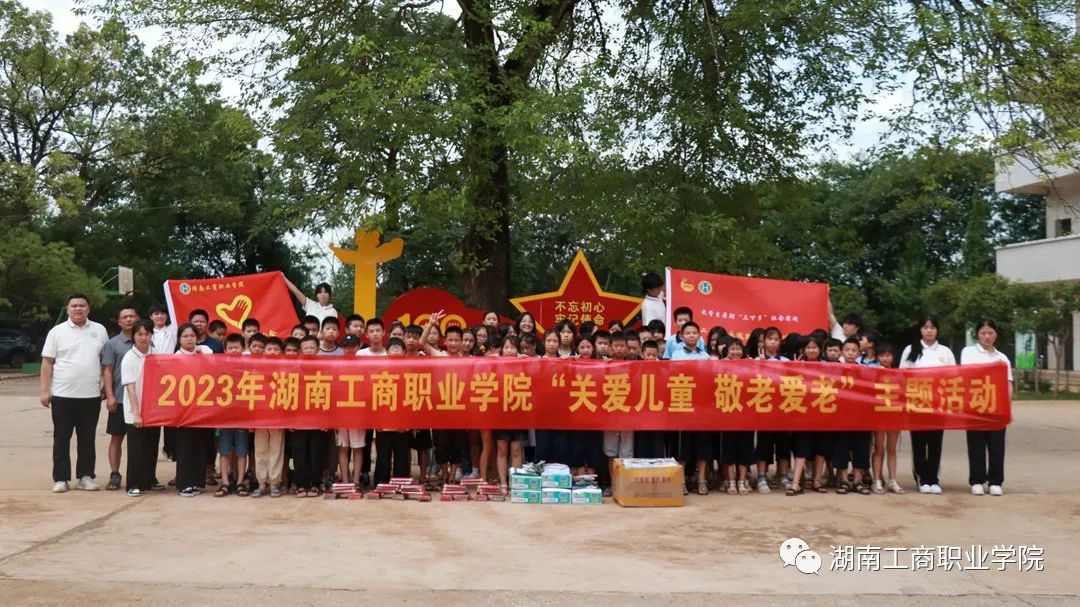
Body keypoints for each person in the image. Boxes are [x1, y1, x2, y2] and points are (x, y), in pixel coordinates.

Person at [41, 294, 109, 493]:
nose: (78, 309)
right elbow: (47, 362)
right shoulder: (57, 332)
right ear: (68, 309)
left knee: (87, 438)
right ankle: (61, 478)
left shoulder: (99, 330)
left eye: (82, 305)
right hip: (62, 395)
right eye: (74, 306)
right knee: (61, 438)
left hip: (91, 395)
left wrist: (106, 385)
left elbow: (106, 361)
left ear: (89, 308)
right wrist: (45, 390)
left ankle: (85, 476)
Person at [899, 314, 956, 495]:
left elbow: (954, 377)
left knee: (935, 442)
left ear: (937, 330)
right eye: (925, 327)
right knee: (919, 442)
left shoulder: (945, 352)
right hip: (917, 404)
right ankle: (922, 478)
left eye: (932, 327)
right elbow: (902, 376)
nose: (929, 331)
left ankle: (933, 478)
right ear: (920, 330)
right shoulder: (910, 350)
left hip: (938, 405)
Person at [961, 320, 1012, 496]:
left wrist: (1008, 409)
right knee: (976, 445)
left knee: (997, 446)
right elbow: (967, 375)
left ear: (996, 334)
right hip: (976, 406)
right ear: (978, 335)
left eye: (990, 333)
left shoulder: (1002, 358)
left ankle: (995, 481)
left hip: (997, 408)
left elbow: (1008, 384)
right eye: (983, 333)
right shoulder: (968, 352)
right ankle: (977, 480)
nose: (987, 336)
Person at [670, 321, 712, 495]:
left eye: (694, 332)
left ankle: (702, 480)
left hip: (702, 406)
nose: (691, 335)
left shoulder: (705, 356)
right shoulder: (676, 355)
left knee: (703, 445)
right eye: (688, 333)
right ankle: (681, 482)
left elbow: (710, 379)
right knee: (683, 447)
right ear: (682, 336)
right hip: (683, 405)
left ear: (699, 335)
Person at [173, 323, 214, 497]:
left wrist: (201, 358)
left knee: (200, 444)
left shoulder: (206, 351)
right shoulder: (176, 357)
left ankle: (197, 481)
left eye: (192, 336)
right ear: (179, 339)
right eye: (185, 336)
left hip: (203, 407)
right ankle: (184, 483)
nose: (189, 339)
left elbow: (215, 368)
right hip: (184, 409)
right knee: (185, 445)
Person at [101, 306, 139, 490]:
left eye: (132, 316)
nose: (129, 319)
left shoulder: (146, 341)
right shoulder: (112, 344)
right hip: (120, 399)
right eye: (125, 317)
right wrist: (110, 396)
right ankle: (115, 474)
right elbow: (107, 371)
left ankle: (145, 474)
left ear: (138, 318)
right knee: (117, 438)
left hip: (141, 401)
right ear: (119, 321)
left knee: (141, 441)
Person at [120, 320, 159, 497]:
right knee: (136, 449)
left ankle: (149, 480)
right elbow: (130, 388)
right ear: (133, 336)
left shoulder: (156, 354)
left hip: (153, 410)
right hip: (135, 411)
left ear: (151, 335)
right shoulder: (129, 358)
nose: (143, 338)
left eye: (147, 334)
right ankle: (133, 484)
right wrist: (137, 413)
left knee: (151, 447)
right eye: (139, 334)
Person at [833, 337, 871, 495]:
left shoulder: (865, 370)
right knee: (841, 447)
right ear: (842, 352)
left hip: (861, 417)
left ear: (859, 353)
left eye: (854, 350)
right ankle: (843, 480)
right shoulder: (835, 369)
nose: (850, 353)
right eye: (847, 350)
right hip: (841, 416)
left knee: (861, 448)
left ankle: (857, 480)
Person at [754, 326, 791, 494]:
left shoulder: (786, 361)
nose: (773, 342)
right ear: (764, 341)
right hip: (764, 409)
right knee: (764, 444)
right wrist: (761, 365)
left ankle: (783, 476)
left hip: (782, 409)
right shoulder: (756, 360)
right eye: (770, 339)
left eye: (776, 339)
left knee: (783, 445)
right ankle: (761, 476)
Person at [373, 338, 412, 485]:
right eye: (392, 347)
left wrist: (408, 421)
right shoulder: (379, 370)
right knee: (383, 453)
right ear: (386, 351)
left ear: (404, 352)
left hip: (402, 420)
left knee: (402, 453)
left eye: (399, 347)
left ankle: (401, 483)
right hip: (384, 420)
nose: (396, 349)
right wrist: (376, 421)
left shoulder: (409, 371)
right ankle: (381, 483)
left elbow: (412, 398)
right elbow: (374, 398)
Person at [216, 335, 250, 497]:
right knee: (224, 451)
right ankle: (225, 483)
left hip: (243, 417)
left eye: (237, 347)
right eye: (230, 348)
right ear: (225, 350)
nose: (234, 350)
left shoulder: (249, 366)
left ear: (243, 348)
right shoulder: (220, 366)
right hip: (224, 417)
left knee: (242, 451)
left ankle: (240, 482)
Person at [493, 336, 528, 493]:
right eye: (506, 347)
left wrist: (527, 361)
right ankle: (503, 483)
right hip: (501, 413)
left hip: (519, 412)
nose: (509, 350)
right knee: (502, 450)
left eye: (513, 347)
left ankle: (515, 482)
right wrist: (492, 360)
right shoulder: (496, 363)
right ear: (501, 349)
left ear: (518, 349)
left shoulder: (524, 362)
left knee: (516, 450)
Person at [252, 338, 286, 498]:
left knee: (276, 450)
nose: (272, 352)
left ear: (281, 352)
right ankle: (261, 483)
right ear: (264, 351)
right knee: (260, 450)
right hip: (260, 416)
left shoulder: (286, 370)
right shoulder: (255, 369)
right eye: (269, 349)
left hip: (278, 416)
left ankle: (274, 483)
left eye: (276, 349)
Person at [871, 343, 904, 494]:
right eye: (882, 355)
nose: (885, 358)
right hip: (879, 415)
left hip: (894, 414)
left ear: (893, 357)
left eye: (888, 355)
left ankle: (892, 480)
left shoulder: (898, 374)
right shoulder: (873, 373)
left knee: (892, 449)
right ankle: (877, 480)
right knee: (879, 448)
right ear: (877, 357)